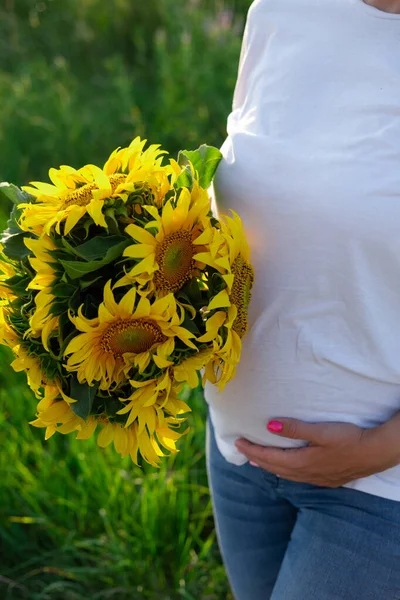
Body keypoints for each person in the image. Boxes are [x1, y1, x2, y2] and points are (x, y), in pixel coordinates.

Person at [203, 1, 400, 598]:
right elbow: (249, 185)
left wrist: (374, 452)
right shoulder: (284, 8)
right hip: (237, 453)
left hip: (379, 490)